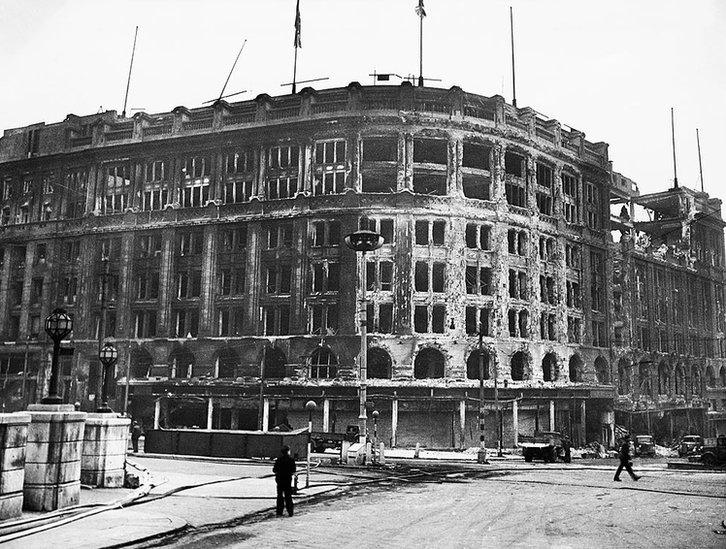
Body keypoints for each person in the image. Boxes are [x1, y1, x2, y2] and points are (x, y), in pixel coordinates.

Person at [273, 445, 296, 517]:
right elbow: (293, 470)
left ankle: (279, 512)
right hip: (287, 480)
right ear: (288, 451)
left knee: (279, 496)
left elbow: (274, 470)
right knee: (288, 496)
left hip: (279, 479)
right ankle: (290, 512)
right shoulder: (291, 460)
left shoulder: (279, 460)